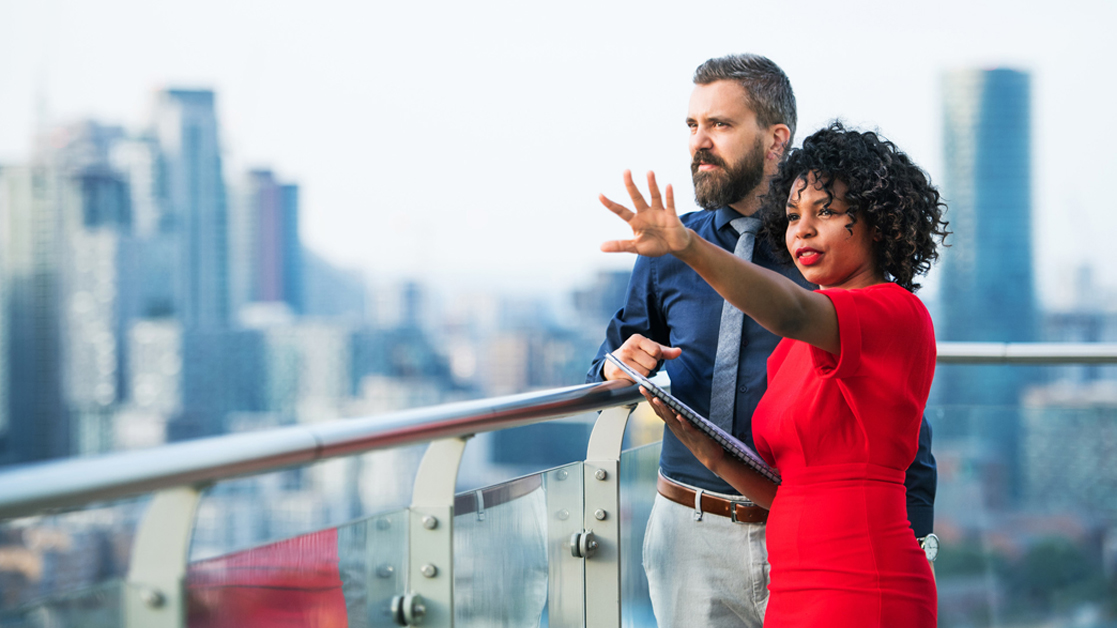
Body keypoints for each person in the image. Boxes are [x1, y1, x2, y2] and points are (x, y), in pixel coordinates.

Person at [586, 54, 937, 628]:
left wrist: (920, 530)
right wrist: (629, 377)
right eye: (692, 126)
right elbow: (611, 355)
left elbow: (801, 318)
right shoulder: (676, 259)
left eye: (719, 125)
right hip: (718, 538)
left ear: (776, 139)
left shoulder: (852, 294)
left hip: (846, 569)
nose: (700, 142)